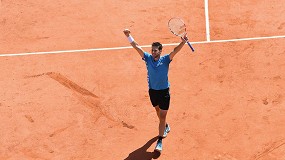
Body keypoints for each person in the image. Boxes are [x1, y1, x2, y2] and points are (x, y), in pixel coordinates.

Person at [123, 29, 188, 152]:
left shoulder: (165, 60)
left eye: (155, 50)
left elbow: (175, 51)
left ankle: (159, 140)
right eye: (152, 50)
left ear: (160, 51)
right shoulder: (147, 58)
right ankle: (166, 126)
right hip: (152, 91)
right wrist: (128, 36)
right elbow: (137, 47)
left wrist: (183, 42)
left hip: (164, 92)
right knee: (158, 112)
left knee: (162, 116)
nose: (153, 52)